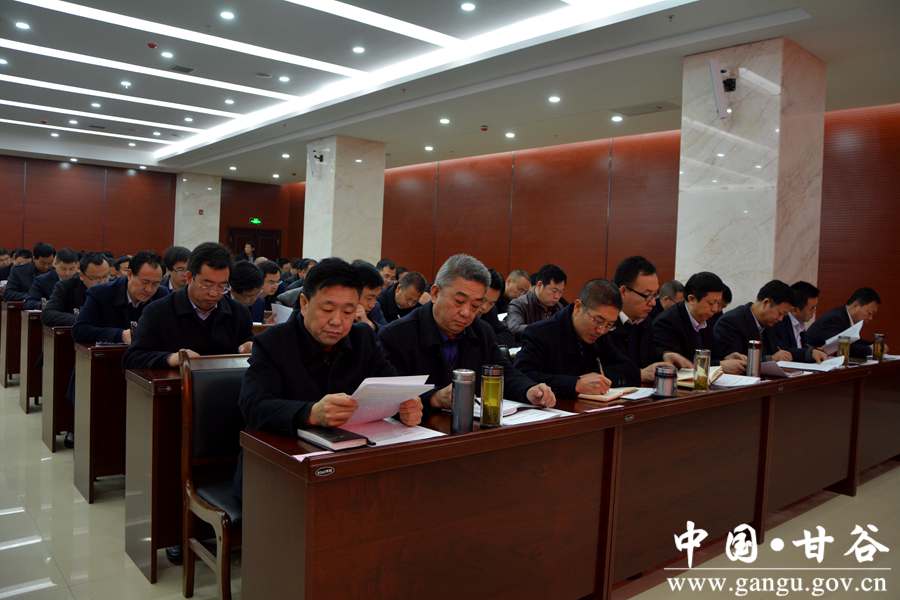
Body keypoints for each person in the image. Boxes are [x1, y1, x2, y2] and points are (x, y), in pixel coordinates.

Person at [236, 258, 422, 495]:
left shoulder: (362, 338)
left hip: (349, 465)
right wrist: (311, 413)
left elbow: (389, 385)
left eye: (348, 311)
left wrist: (405, 405)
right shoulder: (273, 342)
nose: (337, 321)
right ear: (304, 303)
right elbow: (253, 406)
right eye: (327, 309)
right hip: (277, 471)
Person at [378, 254, 555, 416]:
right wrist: (434, 398)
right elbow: (387, 396)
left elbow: (503, 373)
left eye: (475, 306)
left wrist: (529, 389)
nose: (466, 313)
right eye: (459, 301)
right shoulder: (396, 335)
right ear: (435, 293)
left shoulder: (481, 331)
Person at [123, 243, 254, 369]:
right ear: (189, 277)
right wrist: (171, 358)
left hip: (225, 383)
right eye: (207, 284)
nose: (214, 293)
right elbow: (132, 358)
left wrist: (249, 348)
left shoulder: (239, 313)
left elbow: (246, 351)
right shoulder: (158, 311)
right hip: (176, 383)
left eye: (222, 286)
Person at [515, 279, 639, 397]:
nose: (601, 330)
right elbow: (521, 376)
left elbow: (629, 370)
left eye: (609, 324)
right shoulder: (540, 333)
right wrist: (575, 384)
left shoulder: (600, 333)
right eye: (598, 320)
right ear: (578, 307)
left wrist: (601, 378)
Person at [652, 271, 747, 374]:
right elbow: (680, 364)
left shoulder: (708, 317)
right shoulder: (666, 323)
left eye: (718, 303)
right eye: (711, 303)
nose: (715, 309)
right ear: (692, 299)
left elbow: (712, 353)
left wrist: (726, 357)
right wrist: (719, 365)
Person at [714, 280, 825, 363]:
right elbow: (736, 362)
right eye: (780, 313)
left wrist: (809, 353)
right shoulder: (731, 322)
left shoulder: (769, 323)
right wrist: (771, 359)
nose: (781, 319)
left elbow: (783, 350)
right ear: (766, 303)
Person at [73, 251, 168, 345]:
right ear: (129, 274)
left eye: (155, 284)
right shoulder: (100, 293)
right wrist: (120, 335)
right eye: (145, 282)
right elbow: (79, 331)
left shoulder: (162, 295)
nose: (149, 289)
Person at [608, 256, 670, 383]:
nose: (653, 303)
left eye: (655, 295)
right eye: (647, 295)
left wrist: (665, 355)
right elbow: (598, 371)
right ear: (623, 291)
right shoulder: (604, 323)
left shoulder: (646, 321)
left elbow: (649, 360)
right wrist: (638, 374)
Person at [807, 287, 882, 358]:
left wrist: (875, 345)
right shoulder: (835, 318)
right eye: (869, 313)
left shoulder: (845, 316)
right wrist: (871, 349)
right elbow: (842, 347)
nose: (870, 318)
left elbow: (854, 342)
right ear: (856, 305)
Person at [42, 253, 110, 327]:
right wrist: (83, 319)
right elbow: (48, 314)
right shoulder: (66, 287)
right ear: (81, 276)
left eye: (105, 276)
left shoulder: (115, 286)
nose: (102, 282)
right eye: (95, 278)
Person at [505, 264, 567, 336]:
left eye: (561, 292)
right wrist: (545, 330)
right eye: (554, 291)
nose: (557, 296)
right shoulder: (519, 304)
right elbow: (514, 328)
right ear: (540, 284)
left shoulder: (559, 307)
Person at [772, 281, 820, 356]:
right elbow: (784, 351)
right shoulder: (779, 322)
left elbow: (801, 348)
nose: (814, 311)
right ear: (795, 310)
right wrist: (809, 353)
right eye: (812, 308)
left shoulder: (800, 323)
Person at [480, 268, 515, 346]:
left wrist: (487, 341)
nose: (484, 307)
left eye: (491, 303)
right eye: (482, 300)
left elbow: (507, 335)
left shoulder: (491, 310)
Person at [351, 260, 387, 330]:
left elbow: (388, 332)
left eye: (376, 298)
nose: (372, 305)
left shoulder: (375, 307)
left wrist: (370, 325)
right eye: (369, 298)